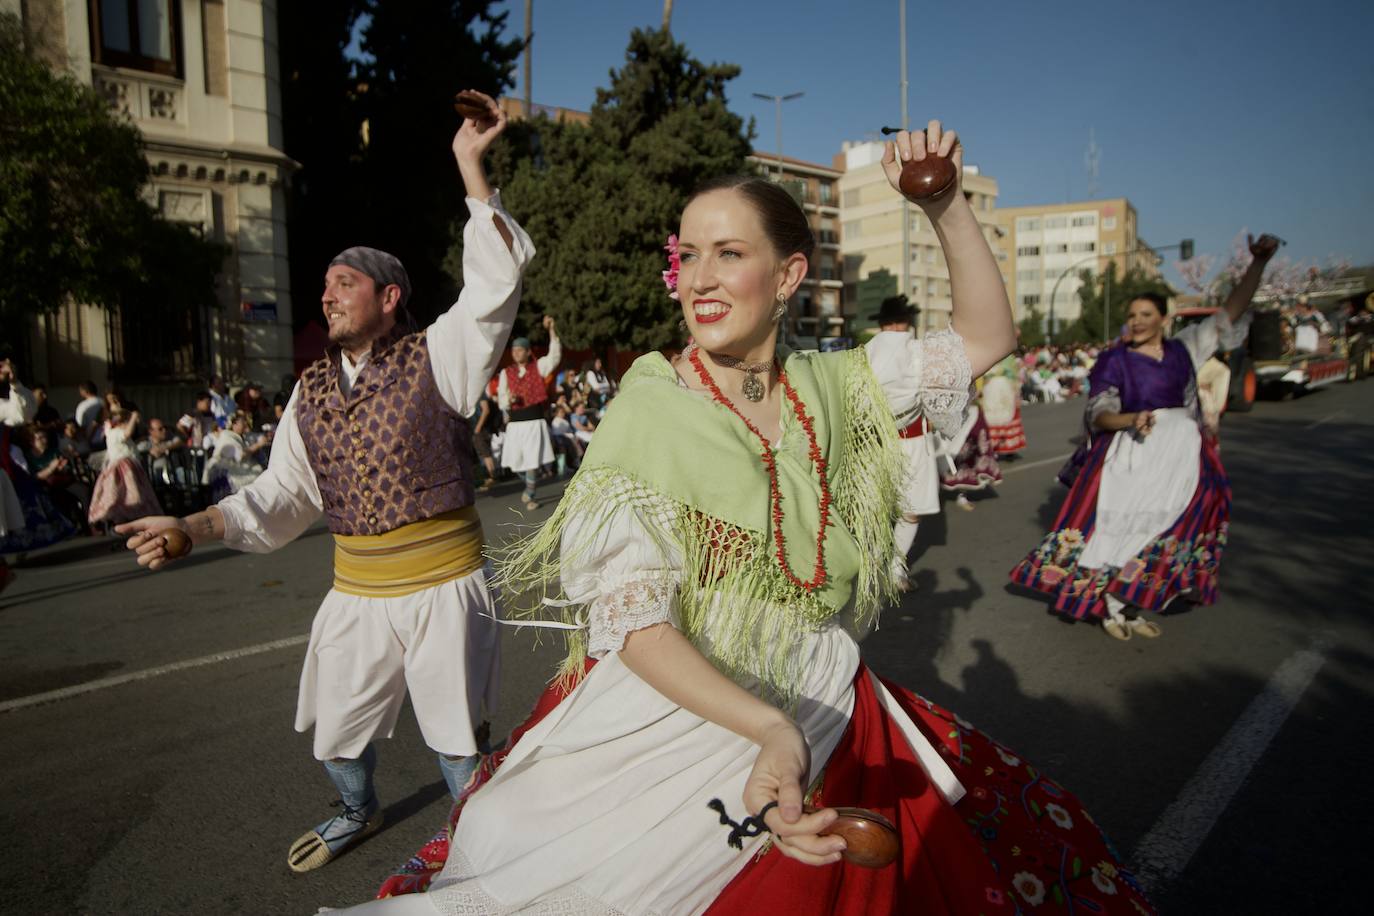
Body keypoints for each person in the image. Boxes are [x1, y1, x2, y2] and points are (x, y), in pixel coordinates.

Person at [339, 123, 1153, 916]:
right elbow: (639, 624)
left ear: (790, 274)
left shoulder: (838, 383)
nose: (700, 278)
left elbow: (987, 335)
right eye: (688, 255)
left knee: (1015, 845)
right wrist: (769, 729)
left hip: (826, 689)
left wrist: (942, 207)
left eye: (730, 254)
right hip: (681, 703)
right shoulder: (650, 406)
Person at [117, 91, 534, 873]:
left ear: (389, 298)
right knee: (335, 735)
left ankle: (484, 847)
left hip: (444, 585)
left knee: (457, 750)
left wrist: (469, 168)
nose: (327, 292)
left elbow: (493, 292)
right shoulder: (307, 391)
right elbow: (281, 497)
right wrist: (191, 529)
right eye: (325, 284)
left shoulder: (439, 357)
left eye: (346, 282)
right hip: (357, 592)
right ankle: (358, 809)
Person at [1011, 234, 1280, 640]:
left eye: (1145, 314)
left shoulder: (1185, 349)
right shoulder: (1114, 360)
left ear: (1164, 319)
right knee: (1121, 528)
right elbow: (1099, 412)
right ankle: (1110, 610)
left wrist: (1257, 264)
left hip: (1182, 452)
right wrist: (1131, 419)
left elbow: (1230, 312)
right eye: (1132, 315)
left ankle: (1132, 602)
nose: (1136, 321)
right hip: (1134, 452)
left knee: (1168, 526)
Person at [864, 295, 946, 593]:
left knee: (878, 509)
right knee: (909, 510)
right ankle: (893, 569)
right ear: (904, 323)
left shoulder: (865, 352)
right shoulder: (916, 352)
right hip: (910, 441)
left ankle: (875, 567)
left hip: (874, 442)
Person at [498, 317, 560, 509]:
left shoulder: (538, 367)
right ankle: (529, 484)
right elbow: (501, 399)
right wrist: (509, 400)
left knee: (532, 460)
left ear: (527, 351)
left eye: (519, 350)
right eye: (514, 350)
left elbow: (554, 357)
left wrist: (552, 330)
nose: (516, 353)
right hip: (515, 423)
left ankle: (530, 494)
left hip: (534, 421)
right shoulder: (505, 373)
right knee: (515, 462)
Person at [88, 407, 162, 530]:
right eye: (126, 422)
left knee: (122, 494)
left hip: (123, 465)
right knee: (126, 493)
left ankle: (126, 519)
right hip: (123, 468)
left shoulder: (110, 432)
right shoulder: (115, 432)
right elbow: (126, 434)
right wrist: (133, 416)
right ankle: (126, 518)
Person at [938, 402, 1002, 510]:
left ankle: (962, 495)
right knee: (947, 454)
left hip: (973, 414)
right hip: (953, 414)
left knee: (970, 458)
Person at [201, 410, 265, 499]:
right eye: (243, 422)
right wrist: (258, 445)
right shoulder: (226, 436)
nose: (246, 423)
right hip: (226, 469)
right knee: (255, 477)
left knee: (261, 473)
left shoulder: (240, 436)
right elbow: (239, 455)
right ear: (234, 424)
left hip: (237, 466)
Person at [980, 352, 1027, 455]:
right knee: (991, 418)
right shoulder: (985, 355)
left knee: (1007, 417)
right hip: (991, 391)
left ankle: (1007, 446)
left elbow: (1014, 375)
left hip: (1005, 390)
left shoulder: (1008, 357)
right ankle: (993, 447)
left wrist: (1016, 392)